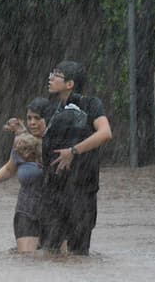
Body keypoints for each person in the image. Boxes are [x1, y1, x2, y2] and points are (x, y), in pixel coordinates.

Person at [40, 60, 112, 255]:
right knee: (50, 252)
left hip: (81, 190)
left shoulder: (91, 104)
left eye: (57, 75)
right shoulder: (52, 110)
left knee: (78, 253)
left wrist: (73, 151)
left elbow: (105, 133)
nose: (51, 78)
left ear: (70, 84)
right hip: (54, 191)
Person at [0, 98, 51, 253]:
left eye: (37, 118)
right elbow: (10, 169)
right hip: (26, 209)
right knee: (27, 260)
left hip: (54, 211)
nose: (32, 123)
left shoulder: (56, 141)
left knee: (55, 259)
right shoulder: (21, 143)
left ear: (48, 119)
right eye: (29, 118)